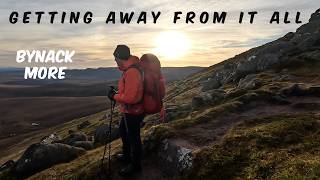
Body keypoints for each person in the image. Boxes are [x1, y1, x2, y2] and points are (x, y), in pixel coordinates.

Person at [107, 45, 145, 176]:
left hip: (134, 111)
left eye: (115, 57)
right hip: (131, 110)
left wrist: (114, 96)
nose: (115, 60)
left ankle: (135, 166)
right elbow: (130, 91)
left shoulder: (132, 72)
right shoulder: (130, 69)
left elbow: (131, 97)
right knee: (124, 131)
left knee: (134, 138)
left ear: (118, 56)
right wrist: (118, 93)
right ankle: (127, 156)